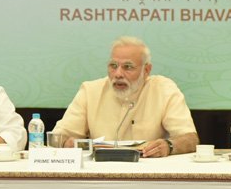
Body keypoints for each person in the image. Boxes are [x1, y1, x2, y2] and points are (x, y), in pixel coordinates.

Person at [53, 36, 199, 158]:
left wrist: (169, 146)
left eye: (128, 67)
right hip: (101, 174)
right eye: (113, 65)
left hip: (148, 175)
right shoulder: (90, 91)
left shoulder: (164, 90)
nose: (118, 74)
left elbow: (191, 139)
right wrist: (66, 143)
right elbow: (56, 137)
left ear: (146, 70)